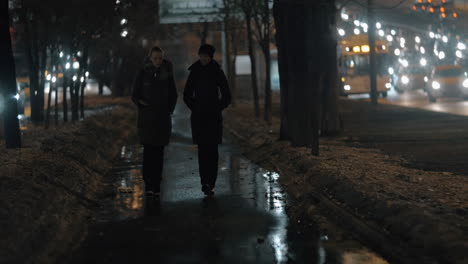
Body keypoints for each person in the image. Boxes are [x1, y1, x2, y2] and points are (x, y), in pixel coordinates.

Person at [183, 44, 231, 196]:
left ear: (211, 57)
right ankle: (205, 182)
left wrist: (217, 107)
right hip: (199, 117)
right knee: (203, 151)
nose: (203, 58)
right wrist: (195, 107)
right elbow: (187, 94)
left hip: (213, 117)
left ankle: (211, 182)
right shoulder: (194, 71)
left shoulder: (217, 72)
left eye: (206, 56)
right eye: (201, 55)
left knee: (212, 151)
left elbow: (226, 95)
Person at [131, 46, 177, 197]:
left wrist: (169, 110)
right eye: (155, 58)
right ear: (150, 58)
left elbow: (173, 94)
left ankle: (156, 185)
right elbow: (135, 94)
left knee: (159, 153)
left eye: (160, 58)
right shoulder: (143, 73)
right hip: (147, 120)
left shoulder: (167, 73)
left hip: (162, 120)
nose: (158, 61)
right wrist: (143, 107)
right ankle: (148, 184)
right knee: (148, 153)